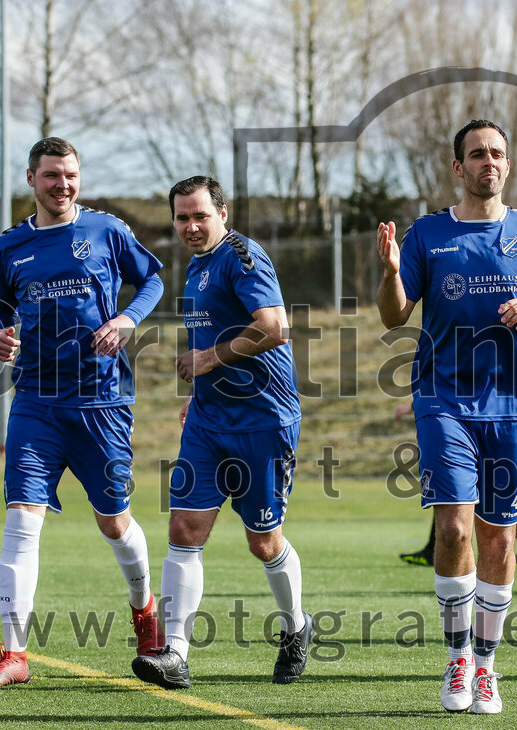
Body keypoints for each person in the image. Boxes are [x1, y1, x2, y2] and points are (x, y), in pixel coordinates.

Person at [376, 119, 517, 714]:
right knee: (455, 527)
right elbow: (393, 316)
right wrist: (388, 271)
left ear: (507, 165)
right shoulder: (428, 234)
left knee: (500, 535)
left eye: (497, 154)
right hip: (442, 399)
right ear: (457, 167)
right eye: (477, 154)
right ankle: (458, 657)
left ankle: (487, 667)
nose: (489, 162)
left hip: (512, 404)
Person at [0, 137, 165, 686]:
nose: (62, 184)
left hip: (101, 402)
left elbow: (152, 278)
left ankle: (145, 609)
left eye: (70, 175)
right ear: (32, 180)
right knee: (20, 521)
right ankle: (14, 655)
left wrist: (128, 318)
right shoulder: (9, 247)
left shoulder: (106, 230)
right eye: (51, 175)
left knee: (113, 521)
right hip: (35, 401)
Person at [131, 176, 309, 690]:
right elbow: (216, 335)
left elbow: (274, 326)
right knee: (184, 530)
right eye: (182, 217)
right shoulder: (196, 267)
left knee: (263, 540)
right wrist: (200, 393)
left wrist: (208, 359)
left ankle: (296, 628)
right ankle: (176, 655)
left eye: (200, 216)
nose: (190, 226)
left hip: (263, 422)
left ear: (223, 215)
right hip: (209, 422)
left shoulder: (241, 256)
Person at [394, 402, 517, 568]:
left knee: (489, 507)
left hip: (491, 420)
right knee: (452, 496)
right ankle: (431, 548)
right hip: (460, 418)